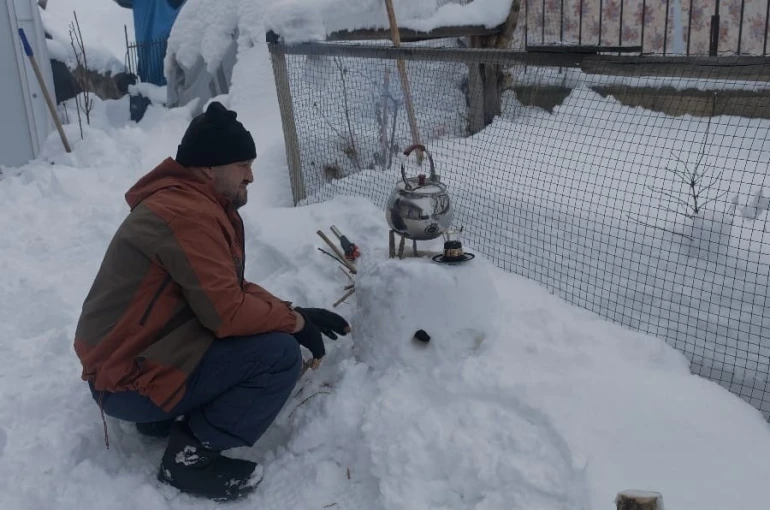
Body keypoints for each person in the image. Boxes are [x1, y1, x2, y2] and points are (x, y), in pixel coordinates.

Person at [73, 101, 350, 502]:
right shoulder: (186, 215)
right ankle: (189, 458)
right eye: (242, 165)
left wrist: (294, 312)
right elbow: (229, 313)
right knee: (277, 356)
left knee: (260, 336)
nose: (251, 176)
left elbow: (222, 290)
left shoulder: (188, 204)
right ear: (209, 167)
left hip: (123, 364)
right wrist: (293, 325)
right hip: (124, 381)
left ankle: (160, 416)